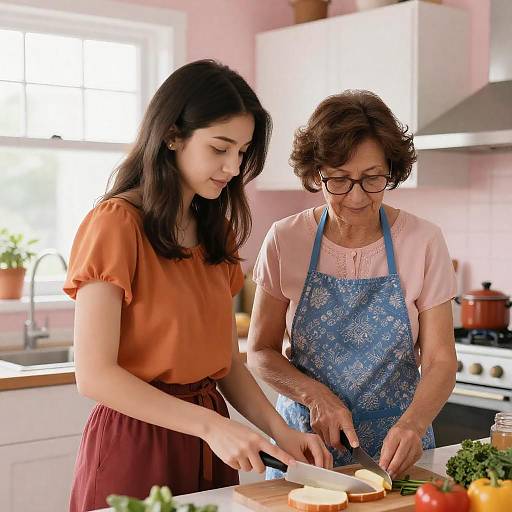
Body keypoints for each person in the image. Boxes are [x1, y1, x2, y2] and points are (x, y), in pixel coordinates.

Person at [64, 60, 331, 512]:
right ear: (172, 136)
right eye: (219, 148)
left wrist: (280, 433)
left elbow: (226, 364)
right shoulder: (116, 225)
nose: (232, 166)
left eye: (242, 152)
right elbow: (94, 375)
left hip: (208, 439)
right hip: (137, 439)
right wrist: (208, 426)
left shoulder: (215, 231)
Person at [247, 90, 458, 481]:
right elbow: (259, 351)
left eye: (373, 178)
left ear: (391, 170)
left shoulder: (424, 241)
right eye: (340, 180)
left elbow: (441, 361)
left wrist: (413, 424)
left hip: (401, 453)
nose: (358, 197)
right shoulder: (285, 239)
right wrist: (316, 397)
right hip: (309, 452)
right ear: (316, 174)